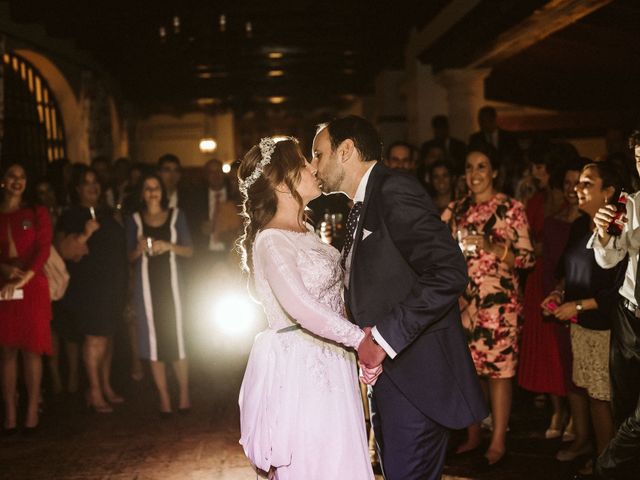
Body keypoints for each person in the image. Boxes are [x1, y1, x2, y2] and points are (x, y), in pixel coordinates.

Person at [312, 116, 486, 480]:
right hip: (393, 376)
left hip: (417, 376)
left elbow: (449, 270)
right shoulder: (363, 202)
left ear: (345, 152)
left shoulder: (393, 190)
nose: (314, 166)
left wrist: (382, 338)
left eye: (318, 155)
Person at [237, 137, 376, 479]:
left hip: (333, 361)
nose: (314, 168)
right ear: (283, 184)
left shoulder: (306, 230)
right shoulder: (271, 240)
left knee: (340, 458)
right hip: (303, 369)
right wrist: (359, 339)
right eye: (303, 164)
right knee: (317, 461)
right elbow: (301, 307)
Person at [442, 145, 535, 467]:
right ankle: (472, 435)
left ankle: (497, 441)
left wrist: (494, 247)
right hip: (462, 304)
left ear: (494, 171)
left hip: (500, 306)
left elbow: (527, 258)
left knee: (499, 373)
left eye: (482, 167)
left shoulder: (511, 208)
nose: (475, 174)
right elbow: (439, 256)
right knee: (467, 371)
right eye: (469, 168)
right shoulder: (455, 210)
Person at [541, 162, 625, 476]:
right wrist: (558, 294)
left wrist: (577, 306)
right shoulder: (579, 225)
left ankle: (608, 465)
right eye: (578, 184)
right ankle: (595, 451)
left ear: (608, 192)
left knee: (604, 400)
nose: (578, 189)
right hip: (581, 325)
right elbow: (568, 271)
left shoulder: (620, 231)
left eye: (587, 183)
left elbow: (617, 291)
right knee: (590, 394)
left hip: (606, 328)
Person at [518, 158, 586, 440]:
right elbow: (544, 261)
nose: (571, 189)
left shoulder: (592, 221)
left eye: (577, 183)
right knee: (553, 355)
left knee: (576, 362)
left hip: (581, 294)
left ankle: (578, 423)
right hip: (549, 290)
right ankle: (560, 413)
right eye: (567, 183)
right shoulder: (553, 219)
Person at [589, 130, 640, 480]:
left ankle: (603, 469)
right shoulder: (632, 203)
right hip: (629, 316)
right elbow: (608, 259)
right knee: (625, 410)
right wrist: (605, 233)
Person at [57, 166, 127, 413]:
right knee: (94, 338)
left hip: (111, 284)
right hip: (89, 287)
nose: (92, 186)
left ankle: (105, 385)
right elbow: (65, 251)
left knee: (107, 337)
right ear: (78, 188)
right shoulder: (71, 215)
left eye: (95, 181)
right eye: (86, 183)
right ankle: (94, 390)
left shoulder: (108, 213)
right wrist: (85, 234)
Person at [126, 174, 193, 415]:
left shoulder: (177, 215)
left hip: (172, 287)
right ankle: (164, 398)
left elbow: (189, 251)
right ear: (142, 193)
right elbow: (128, 258)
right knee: (153, 341)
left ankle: (184, 394)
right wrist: (138, 249)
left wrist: (169, 246)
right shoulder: (134, 220)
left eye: (156, 187)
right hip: (146, 288)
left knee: (177, 339)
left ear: (162, 192)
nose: (152, 192)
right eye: (147, 188)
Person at [0, 164, 52, 432]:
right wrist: (4, 269)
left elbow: (43, 249)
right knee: (7, 350)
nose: (17, 181)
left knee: (32, 349)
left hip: (32, 285)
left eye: (22, 176)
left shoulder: (36, 211)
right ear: (2, 180)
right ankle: (10, 411)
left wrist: (25, 276)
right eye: (11, 176)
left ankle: (32, 409)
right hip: (4, 286)